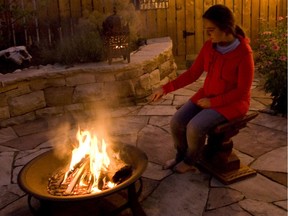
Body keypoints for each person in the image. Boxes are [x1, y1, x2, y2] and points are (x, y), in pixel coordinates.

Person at [151, 4, 254, 173]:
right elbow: (192, 73)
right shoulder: (209, 47)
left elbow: (242, 92)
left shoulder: (244, 53)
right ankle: (181, 156)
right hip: (208, 96)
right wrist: (165, 88)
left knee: (195, 126)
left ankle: (191, 161)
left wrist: (213, 102)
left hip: (232, 104)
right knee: (176, 121)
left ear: (226, 27)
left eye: (211, 30)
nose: (208, 34)